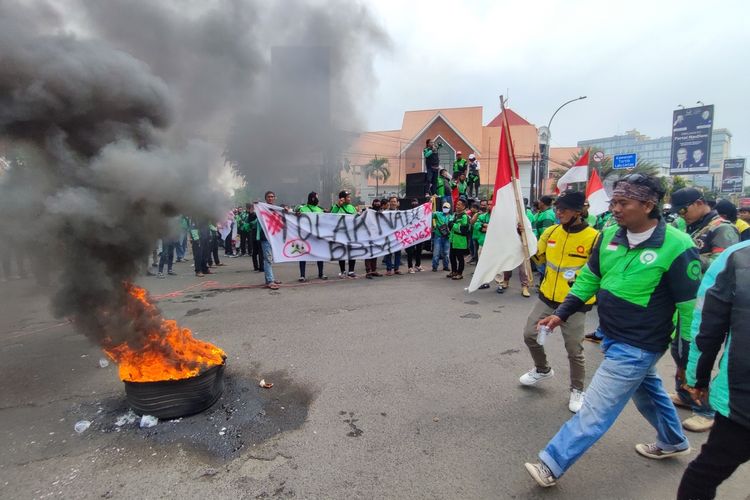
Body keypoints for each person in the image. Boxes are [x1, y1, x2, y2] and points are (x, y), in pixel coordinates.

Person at [524, 173, 700, 488]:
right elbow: (590, 278)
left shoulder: (678, 245)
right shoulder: (609, 237)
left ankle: (551, 464)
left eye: (623, 202)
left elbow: (688, 311)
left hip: (641, 342)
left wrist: (688, 363)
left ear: (648, 205)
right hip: (614, 335)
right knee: (649, 394)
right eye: (614, 202)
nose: (615, 208)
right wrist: (560, 314)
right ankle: (673, 441)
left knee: (596, 407)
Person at [676, 241, 750, 500]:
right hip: (741, 399)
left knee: (704, 474)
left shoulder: (737, 256)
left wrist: (698, 379)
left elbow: (707, 326)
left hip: (741, 401)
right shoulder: (737, 257)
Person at [518, 191, 599, 413]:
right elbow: (538, 258)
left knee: (574, 349)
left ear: (579, 211)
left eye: (564, 209)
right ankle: (542, 369)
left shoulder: (594, 237)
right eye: (557, 208)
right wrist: (525, 241)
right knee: (529, 335)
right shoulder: (551, 232)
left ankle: (577, 389)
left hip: (574, 303)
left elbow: (596, 273)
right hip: (547, 298)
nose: (559, 212)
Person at [667, 188, 740, 432]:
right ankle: (686, 395)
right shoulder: (692, 227)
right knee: (679, 349)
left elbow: (725, 266)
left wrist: (686, 258)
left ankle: (705, 408)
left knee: (696, 351)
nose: (681, 215)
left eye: (683, 209)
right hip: (687, 300)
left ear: (699, 203)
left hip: (710, 303)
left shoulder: (722, 229)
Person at [297, 192, 328, 281]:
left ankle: (321, 273)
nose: (318, 199)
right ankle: (302, 275)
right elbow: (295, 215)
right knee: (303, 255)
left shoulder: (319, 209)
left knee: (319, 255)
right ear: (313, 198)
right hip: (305, 236)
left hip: (317, 236)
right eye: (317, 197)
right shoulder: (302, 209)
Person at [330, 190, 358, 278]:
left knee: (352, 253)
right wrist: (338, 205)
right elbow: (331, 216)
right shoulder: (336, 207)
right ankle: (343, 271)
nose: (350, 198)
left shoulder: (352, 208)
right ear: (342, 198)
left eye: (349, 197)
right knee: (341, 253)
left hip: (351, 234)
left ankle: (351, 271)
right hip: (340, 234)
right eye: (348, 197)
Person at [258, 191, 280, 290]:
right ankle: (270, 281)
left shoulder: (276, 209)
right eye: (268, 197)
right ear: (265, 198)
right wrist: (256, 207)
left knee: (270, 258)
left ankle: (269, 279)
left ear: (275, 198)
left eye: (272, 196)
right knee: (268, 259)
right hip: (265, 237)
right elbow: (254, 217)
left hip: (274, 237)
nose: (270, 198)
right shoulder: (261, 208)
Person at [447, 197, 470, 279]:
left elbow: (463, 229)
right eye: (457, 204)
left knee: (460, 258)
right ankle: (454, 271)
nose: (457, 206)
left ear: (464, 207)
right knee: (452, 257)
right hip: (453, 239)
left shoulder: (465, 216)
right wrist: (453, 225)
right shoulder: (455, 214)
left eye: (459, 205)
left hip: (460, 240)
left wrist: (453, 225)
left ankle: (460, 273)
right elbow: (449, 222)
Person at [472, 199, 491, 289]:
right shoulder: (482, 216)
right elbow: (476, 225)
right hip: (482, 242)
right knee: (481, 263)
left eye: (492, 204)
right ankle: (484, 281)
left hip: (494, 243)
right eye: (488, 204)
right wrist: (484, 226)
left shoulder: (498, 216)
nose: (489, 206)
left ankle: (501, 284)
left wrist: (487, 226)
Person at [383, 195, 403, 276]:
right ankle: (389, 269)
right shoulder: (385, 213)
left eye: (394, 201)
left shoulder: (401, 213)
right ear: (389, 203)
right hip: (388, 236)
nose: (393, 203)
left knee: (398, 253)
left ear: (397, 203)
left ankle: (396, 269)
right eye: (391, 202)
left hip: (397, 236)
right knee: (388, 253)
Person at [364, 199, 384, 278]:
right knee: (368, 253)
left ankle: (374, 270)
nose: (377, 205)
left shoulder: (382, 212)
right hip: (368, 235)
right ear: (372, 204)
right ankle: (368, 271)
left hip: (376, 235)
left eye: (378, 203)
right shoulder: (369, 211)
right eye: (375, 204)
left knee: (375, 253)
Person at [405, 198, 424, 273]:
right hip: (411, 235)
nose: (414, 204)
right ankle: (410, 267)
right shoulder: (408, 213)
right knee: (410, 252)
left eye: (415, 202)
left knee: (419, 251)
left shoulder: (421, 212)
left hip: (419, 235)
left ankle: (418, 265)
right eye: (413, 202)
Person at [432, 201, 452, 272]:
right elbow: (429, 214)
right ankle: (434, 267)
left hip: (447, 237)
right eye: (444, 207)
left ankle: (446, 266)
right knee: (436, 252)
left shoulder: (451, 217)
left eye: (446, 207)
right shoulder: (438, 214)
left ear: (449, 209)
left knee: (446, 253)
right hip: (438, 236)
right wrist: (429, 204)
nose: (445, 208)